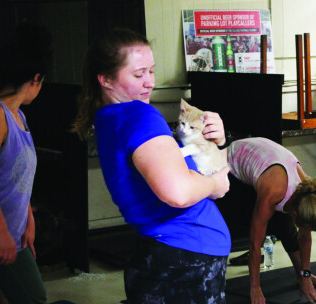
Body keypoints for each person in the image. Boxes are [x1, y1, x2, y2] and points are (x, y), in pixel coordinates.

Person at [72, 28, 231, 303]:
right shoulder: (139, 114)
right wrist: (216, 184)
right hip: (184, 256)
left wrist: (213, 142)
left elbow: (170, 164)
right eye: (138, 74)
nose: (149, 83)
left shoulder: (110, 117)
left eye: (151, 71)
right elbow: (178, 192)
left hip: (165, 253)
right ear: (106, 79)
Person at [227, 137, 316, 304]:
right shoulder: (273, 191)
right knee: (242, 225)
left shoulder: (308, 196)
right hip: (232, 163)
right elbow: (255, 244)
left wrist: (305, 274)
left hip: (266, 161)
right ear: (293, 212)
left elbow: (305, 238)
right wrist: (255, 287)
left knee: (287, 230)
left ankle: (300, 276)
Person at [0, 23, 52, 304]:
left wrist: (28, 219)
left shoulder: (20, 116)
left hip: (14, 234)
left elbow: (18, 178)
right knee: (33, 297)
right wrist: (2, 233)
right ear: (36, 79)